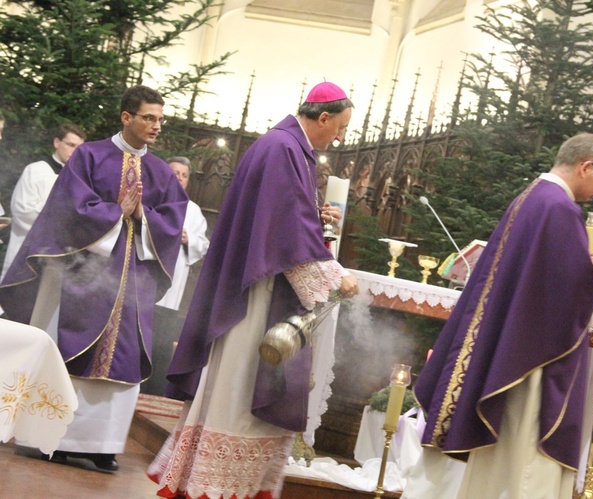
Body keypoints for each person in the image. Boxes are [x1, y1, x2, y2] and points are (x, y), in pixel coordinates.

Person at [147, 81, 359, 499]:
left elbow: (285, 217)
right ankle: (218, 486)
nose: (340, 137)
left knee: (241, 385)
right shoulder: (283, 150)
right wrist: (334, 277)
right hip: (255, 295)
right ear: (323, 118)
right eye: (340, 128)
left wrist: (318, 217)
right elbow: (286, 229)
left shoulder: (287, 148)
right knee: (241, 386)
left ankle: (222, 483)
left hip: (257, 282)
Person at [406, 133, 593, 499]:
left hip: (514, 341)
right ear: (586, 167)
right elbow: (562, 290)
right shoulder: (561, 208)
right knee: (524, 456)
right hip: (531, 363)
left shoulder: (534, 196)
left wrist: (582, 263)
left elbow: (537, 274)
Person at [0, 85, 188, 472]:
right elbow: (67, 208)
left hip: (132, 283)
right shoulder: (90, 155)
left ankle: (105, 444)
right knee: (67, 349)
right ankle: (55, 439)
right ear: (126, 117)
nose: (156, 126)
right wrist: (114, 213)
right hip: (80, 278)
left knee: (125, 360)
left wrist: (144, 218)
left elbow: (173, 219)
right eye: (148, 117)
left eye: (159, 119)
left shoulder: (159, 172)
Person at [143, 156, 209, 396]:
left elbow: (203, 244)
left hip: (172, 291)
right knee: (140, 342)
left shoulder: (194, 211)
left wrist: (188, 239)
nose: (180, 178)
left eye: (184, 175)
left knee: (161, 347)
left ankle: (153, 395)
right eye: (175, 173)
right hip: (146, 286)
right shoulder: (151, 200)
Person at [1, 123, 87, 279]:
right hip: (28, 254)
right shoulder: (35, 170)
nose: (74, 152)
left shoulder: (78, 179)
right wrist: (60, 222)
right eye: (70, 145)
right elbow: (22, 211)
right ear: (56, 142)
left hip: (57, 260)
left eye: (79, 148)